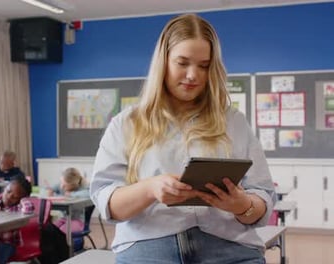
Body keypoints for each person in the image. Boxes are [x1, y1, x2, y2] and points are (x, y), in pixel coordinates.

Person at [89, 13, 276, 264]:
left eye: (203, 66)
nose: (192, 75)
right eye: (182, 62)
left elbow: (263, 197)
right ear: (163, 62)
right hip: (149, 246)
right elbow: (108, 204)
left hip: (229, 246)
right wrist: (150, 189)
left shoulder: (234, 122)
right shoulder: (127, 124)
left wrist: (241, 204)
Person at [46, 167, 89, 233]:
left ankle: (65, 243)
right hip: (63, 219)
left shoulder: (81, 188)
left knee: (61, 232)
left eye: (65, 185)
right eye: (61, 182)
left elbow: (88, 194)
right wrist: (50, 190)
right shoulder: (62, 185)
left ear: (73, 185)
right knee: (50, 230)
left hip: (77, 221)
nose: (62, 186)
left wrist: (71, 194)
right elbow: (51, 189)